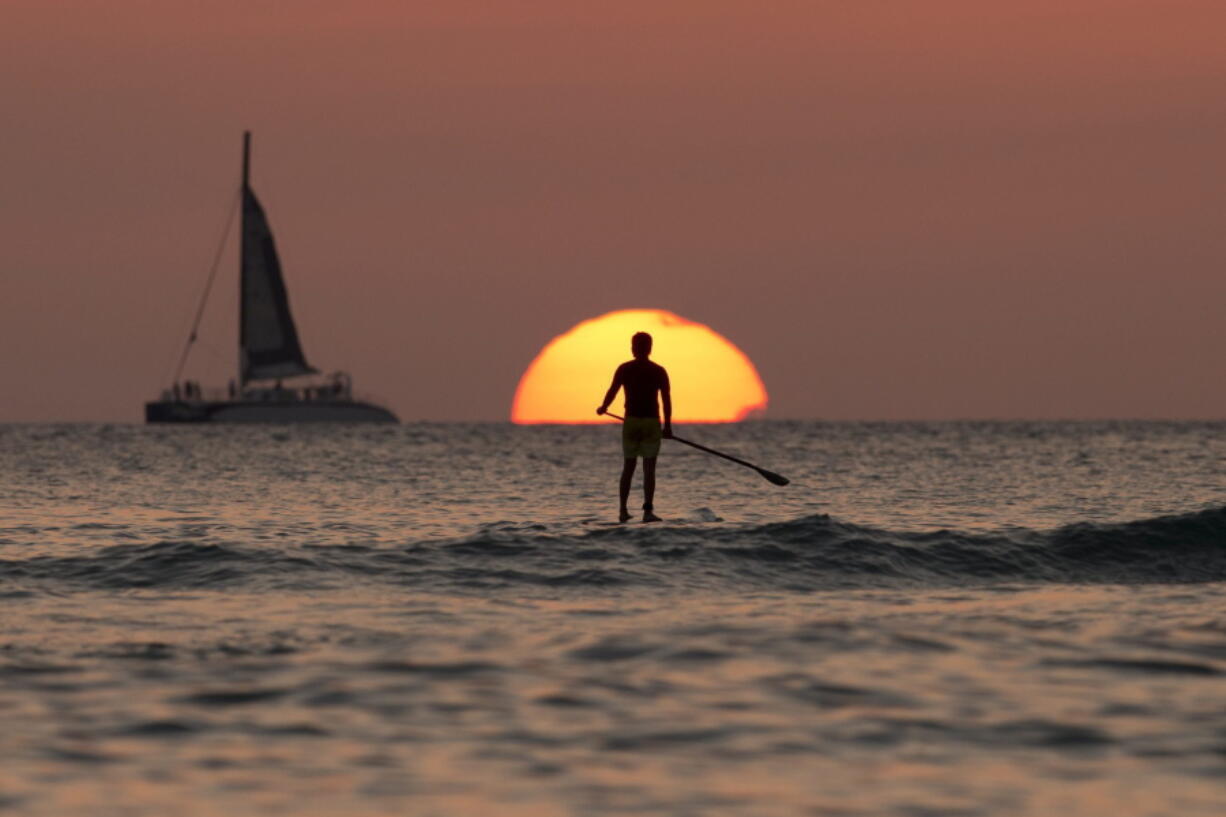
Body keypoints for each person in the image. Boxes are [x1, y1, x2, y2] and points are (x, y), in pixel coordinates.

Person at [596, 332, 673, 523]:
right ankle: (647, 512)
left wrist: (603, 407)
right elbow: (666, 401)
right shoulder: (659, 371)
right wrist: (668, 426)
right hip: (651, 423)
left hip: (631, 422)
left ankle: (623, 511)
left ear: (632, 348)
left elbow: (612, 391)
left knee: (628, 466)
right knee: (649, 468)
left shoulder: (624, 369)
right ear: (650, 348)